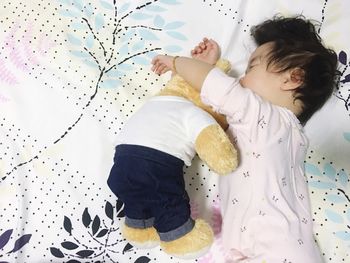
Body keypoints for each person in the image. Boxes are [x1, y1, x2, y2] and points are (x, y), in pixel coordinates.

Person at [151, 16, 339, 263]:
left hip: (270, 248)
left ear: (292, 79)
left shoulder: (261, 114)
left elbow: (215, 86)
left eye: (252, 68)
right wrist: (209, 65)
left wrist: (177, 63)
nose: (240, 79)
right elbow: (211, 110)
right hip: (274, 249)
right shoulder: (290, 134)